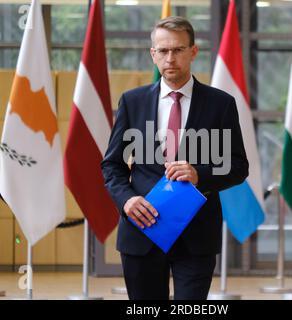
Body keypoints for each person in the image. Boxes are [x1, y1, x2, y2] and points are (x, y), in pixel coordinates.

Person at [101, 16, 248, 300]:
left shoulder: (221, 104)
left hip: (196, 235)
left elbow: (238, 166)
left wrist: (199, 174)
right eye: (163, 51)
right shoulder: (132, 101)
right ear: (153, 54)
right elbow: (112, 164)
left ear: (193, 52)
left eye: (178, 50)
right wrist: (127, 200)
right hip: (142, 230)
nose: (171, 58)